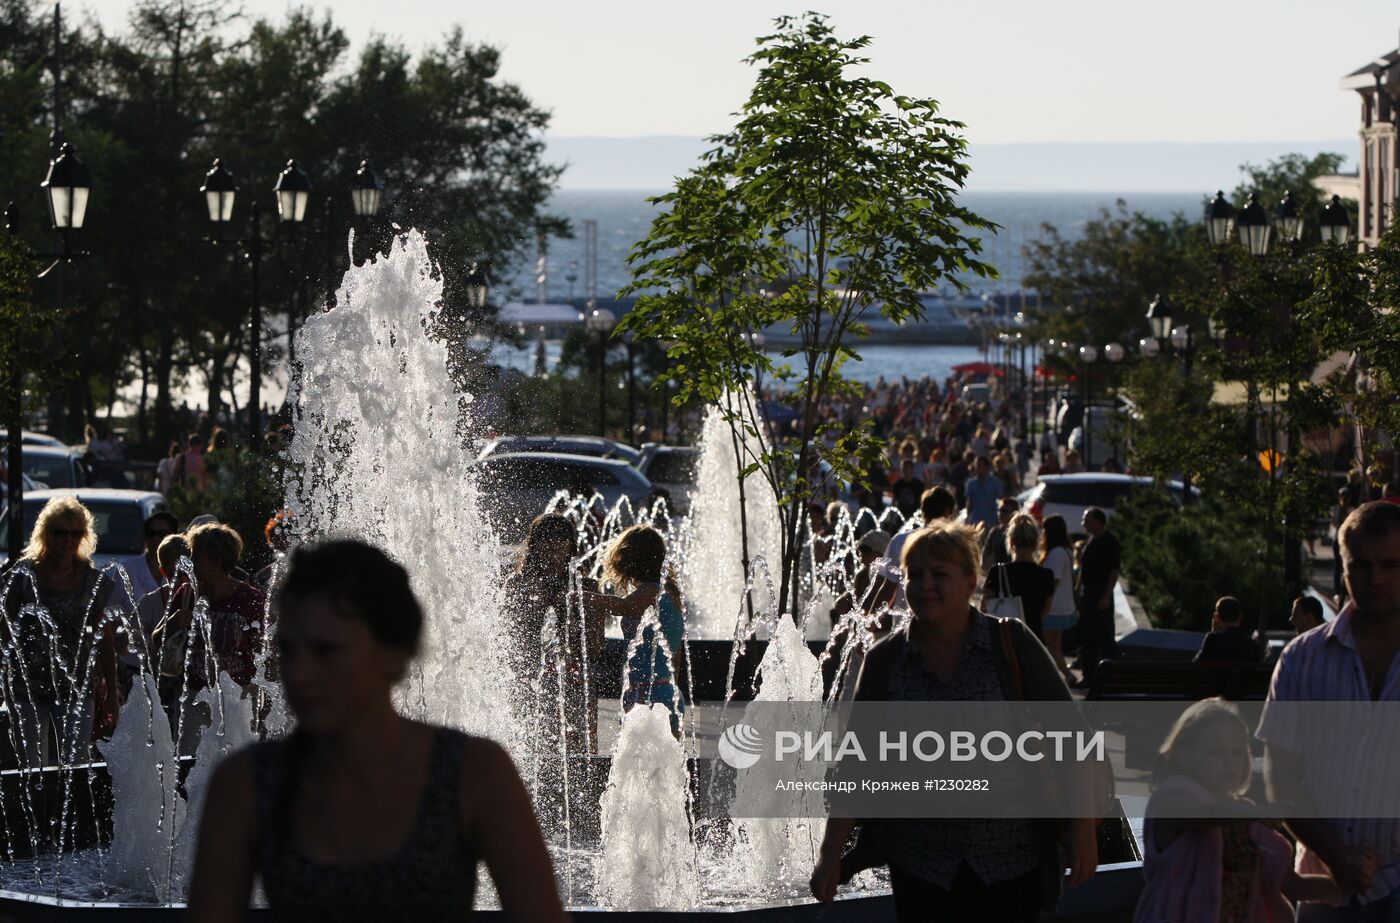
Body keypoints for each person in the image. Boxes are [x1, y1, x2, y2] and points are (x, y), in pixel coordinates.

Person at [186, 539, 567, 922]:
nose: (298, 674)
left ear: (394, 652)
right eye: (288, 649)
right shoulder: (246, 785)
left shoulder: (473, 773)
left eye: (326, 650)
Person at [809, 521, 1097, 920]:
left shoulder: (1009, 644)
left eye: (940, 574)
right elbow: (858, 763)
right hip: (920, 863)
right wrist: (830, 855)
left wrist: (1082, 829)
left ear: (970, 581)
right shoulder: (885, 661)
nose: (926, 585)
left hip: (1012, 860)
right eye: (916, 575)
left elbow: (1072, 736)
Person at [1257, 501, 1400, 919]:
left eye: (1391, 565)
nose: (1377, 579)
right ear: (1344, 567)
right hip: (1325, 882)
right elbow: (1280, 778)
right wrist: (1337, 858)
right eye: (1363, 565)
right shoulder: (1303, 659)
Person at [1134, 698, 1342, 922]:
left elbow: (1292, 885)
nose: (1229, 762)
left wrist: (1344, 884)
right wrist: (1258, 813)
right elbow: (1207, 815)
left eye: (1237, 753)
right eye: (1217, 752)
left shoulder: (1247, 819)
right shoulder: (1172, 800)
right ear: (1185, 757)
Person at [2, 497, 121, 764]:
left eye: (75, 533)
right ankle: (39, 807)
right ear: (46, 533)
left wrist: (111, 691)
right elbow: (3, 629)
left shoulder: (92, 581)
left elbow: (104, 638)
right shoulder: (23, 576)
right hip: (27, 685)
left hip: (76, 684)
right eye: (59, 533)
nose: (67, 540)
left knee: (75, 766)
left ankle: (64, 808)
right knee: (32, 767)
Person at [152, 523, 266, 749]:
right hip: (195, 697)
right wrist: (174, 620)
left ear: (216, 560)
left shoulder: (250, 600)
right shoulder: (187, 594)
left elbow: (266, 653)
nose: (189, 561)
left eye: (195, 556)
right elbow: (156, 640)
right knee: (189, 765)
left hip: (239, 698)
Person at [504, 513, 601, 755]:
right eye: (546, 537)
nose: (553, 543)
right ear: (534, 544)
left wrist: (579, 614)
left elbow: (596, 646)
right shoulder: (517, 584)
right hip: (528, 681)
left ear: (571, 544)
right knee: (530, 749)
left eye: (561, 537)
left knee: (578, 753)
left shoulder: (586, 587)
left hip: (574, 682)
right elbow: (506, 638)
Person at [582, 525, 686, 735]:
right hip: (665, 691)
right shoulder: (671, 595)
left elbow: (624, 607)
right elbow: (677, 652)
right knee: (666, 764)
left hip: (646, 695)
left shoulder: (652, 592)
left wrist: (584, 596)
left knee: (636, 764)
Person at [870, 486, 958, 618]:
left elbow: (888, 589)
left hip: (906, 629)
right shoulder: (955, 546)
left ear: (922, 512)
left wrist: (867, 626)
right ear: (947, 512)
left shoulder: (900, 541)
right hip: (943, 630)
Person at [982, 514, 1055, 639]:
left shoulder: (997, 572)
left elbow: (984, 608)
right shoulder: (1047, 575)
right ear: (1036, 542)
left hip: (1003, 639)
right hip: (1033, 640)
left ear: (1011, 541)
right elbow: (1044, 613)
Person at [1075, 507, 1120, 688]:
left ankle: (1110, 678)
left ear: (1098, 522)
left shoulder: (1110, 542)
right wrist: (1078, 590)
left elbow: (1114, 570)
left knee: (1104, 638)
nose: (1083, 523)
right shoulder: (1090, 540)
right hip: (1087, 595)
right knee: (1087, 637)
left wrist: (1107, 594)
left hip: (1100, 594)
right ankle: (1088, 676)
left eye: (1087, 520)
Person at [1040, 514, 1078, 683]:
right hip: (1064, 606)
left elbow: (1052, 583)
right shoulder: (1067, 551)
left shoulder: (1055, 554)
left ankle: (1066, 676)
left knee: (1050, 646)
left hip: (1053, 607)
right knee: (1055, 645)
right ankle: (1063, 674)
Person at [120, 512, 180, 606]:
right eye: (151, 533)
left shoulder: (183, 571)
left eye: (162, 534)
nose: (156, 538)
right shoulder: (125, 570)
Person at [1194, 597, 1261, 663]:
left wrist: (1214, 632)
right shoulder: (1252, 645)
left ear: (1217, 617)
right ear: (1240, 615)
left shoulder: (1212, 640)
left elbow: (1195, 666)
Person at [980, 497, 1019, 575]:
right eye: (999, 510)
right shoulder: (995, 532)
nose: (1001, 514)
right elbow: (985, 556)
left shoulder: (1018, 532)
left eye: (1005, 511)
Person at [964, 455, 1004, 531]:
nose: (977, 467)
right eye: (976, 465)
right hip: (976, 520)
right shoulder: (971, 483)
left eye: (980, 465)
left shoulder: (995, 482)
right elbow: (969, 503)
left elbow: (1001, 499)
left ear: (986, 467)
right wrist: (967, 519)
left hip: (991, 519)